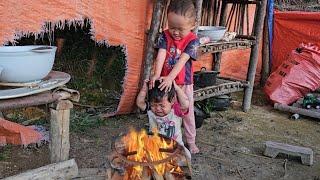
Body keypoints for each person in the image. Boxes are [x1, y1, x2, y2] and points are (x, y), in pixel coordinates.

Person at [150, 0, 200, 153]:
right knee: (167, 110)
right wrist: (157, 75)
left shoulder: (193, 41)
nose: (175, 32)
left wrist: (170, 78)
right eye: (172, 27)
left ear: (192, 25)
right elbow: (161, 54)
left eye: (180, 29)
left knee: (187, 112)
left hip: (183, 83)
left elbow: (183, 60)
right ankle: (165, 136)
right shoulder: (165, 36)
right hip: (166, 83)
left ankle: (191, 141)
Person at [136, 80, 191, 160]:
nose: (158, 109)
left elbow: (185, 104)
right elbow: (140, 103)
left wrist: (177, 88)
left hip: (175, 148)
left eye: (162, 106)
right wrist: (144, 88)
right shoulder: (150, 111)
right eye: (154, 105)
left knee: (186, 156)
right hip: (156, 148)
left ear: (172, 101)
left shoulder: (175, 111)